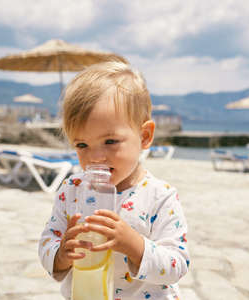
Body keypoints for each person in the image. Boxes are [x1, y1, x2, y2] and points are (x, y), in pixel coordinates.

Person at [38, 61, 190, 299]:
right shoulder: (71, 190)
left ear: (145, 136)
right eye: (82, 145)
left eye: (110, 142)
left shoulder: (160, 196)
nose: (95, 157)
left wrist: (134, 245)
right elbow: (48, 242)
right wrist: (61, 255)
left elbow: (177, 264)